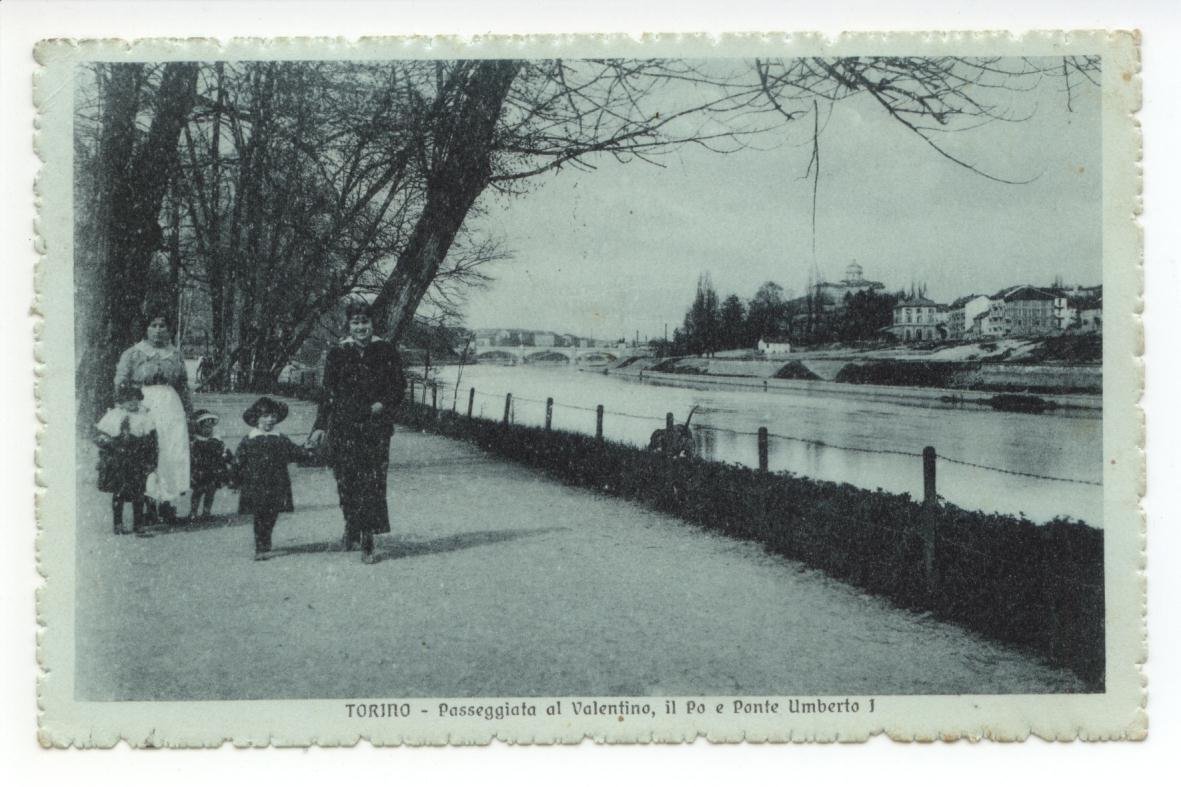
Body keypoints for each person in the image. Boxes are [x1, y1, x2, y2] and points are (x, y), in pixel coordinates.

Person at [308, 301, 405, 564]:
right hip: (343, 426)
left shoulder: (385, 351)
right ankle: (351, 526)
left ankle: (368, 540)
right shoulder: (338, 353)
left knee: (371, 482)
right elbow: (328, 393)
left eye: (365, 322)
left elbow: (398, 387)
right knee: (347, 481)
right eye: (355, 323)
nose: (361, 327)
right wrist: (319, 426)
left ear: (372, 324)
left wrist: (382, 404)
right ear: (349, 325)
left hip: (375, 427)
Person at [114, 309, 193, 525]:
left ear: (169, 329)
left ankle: (167, 503)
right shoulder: (133, 353)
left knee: (171, 452)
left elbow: (183, 385)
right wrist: (127, 406)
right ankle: (148, 504)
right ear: (146, 328)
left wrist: (189, 412)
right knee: (148, 453)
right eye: (153, 326)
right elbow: (120, 381)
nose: (158, 331)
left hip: (170, 406)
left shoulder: (175, 354)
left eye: (162, 326)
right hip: (143, 405)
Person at [233, 397, 305, 561]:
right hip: (256, 483)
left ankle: (266, 540)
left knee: (272, 514)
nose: (269, 420)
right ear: (256, 419)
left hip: (277, 482)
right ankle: (261, 546)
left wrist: (308, 451)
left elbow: (295, 452)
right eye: (265, 416)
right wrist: (235, 480)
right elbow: (239, 460)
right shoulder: (249, 439)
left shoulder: (280, 438)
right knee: (259, 514)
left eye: (273, 416)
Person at [94, 383, 158, 536]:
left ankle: (138, 524)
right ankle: (118, 524)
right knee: (119, 492)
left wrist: (151, 460)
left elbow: (151, 440)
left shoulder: (144, 417)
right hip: (118, 459)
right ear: (120, 402)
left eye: (136, 399)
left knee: (139, 493)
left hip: (137, 458)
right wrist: (105, 441)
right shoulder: (114, 415)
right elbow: (101, 434)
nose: (133, 403)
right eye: (128, 400)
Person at [189, 409, 232, 521]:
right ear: (199, 427)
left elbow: (225, 453)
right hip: (199, 471)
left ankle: (206, 512)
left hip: (213, 471)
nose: (208, 430)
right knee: (197, 492)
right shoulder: (195, 442)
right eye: (205, 427)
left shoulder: (216, 441)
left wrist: (228, 459)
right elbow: (191, 457)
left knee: (210, 492)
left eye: (210, 427)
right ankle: (193, 512)